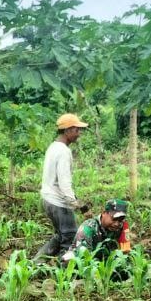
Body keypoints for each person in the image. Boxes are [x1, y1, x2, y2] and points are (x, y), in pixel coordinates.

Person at [35, 112, 89, 260]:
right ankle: (62, 273)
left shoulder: (53, 147)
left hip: (48, 199)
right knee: (70, 238)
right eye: (77, 130)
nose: (79, 134)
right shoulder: (63, 152)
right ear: (67, 131)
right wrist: (75, 203)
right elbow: (64, 182)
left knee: (60, 235)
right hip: (59, 202)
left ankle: (36, 263)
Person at [62, 199, 132, 263]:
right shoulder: (89, 227)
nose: (117, 224)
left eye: (120, 220)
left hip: (106, 260)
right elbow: (84, 256)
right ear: (104, 213)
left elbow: (125, 251)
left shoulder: (123, 226)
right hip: (86, 260)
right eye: (114, 219)